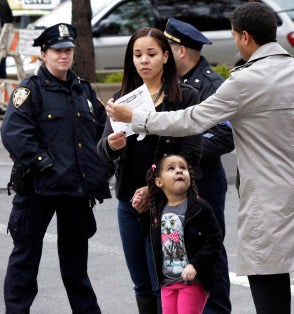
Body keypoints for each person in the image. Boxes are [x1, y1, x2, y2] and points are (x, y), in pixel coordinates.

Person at [106, 2, 294, 313]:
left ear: (245, 37)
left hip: (266, 195)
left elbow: (192, 120)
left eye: (233, 36)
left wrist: (139, 119)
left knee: (268, 278)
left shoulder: (245, 80)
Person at [0, 23, 112, 313]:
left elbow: (101, 133)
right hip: (40, 187)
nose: (64, 56)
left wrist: (102, 169)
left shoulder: (83, 91)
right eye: (58, 50)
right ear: (44, 54)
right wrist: (44, 164)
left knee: (76, 268)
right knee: (25, 262)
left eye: (68, 50)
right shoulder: (30, 90)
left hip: (76, 190)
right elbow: (15, 134)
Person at [96, 27, 202, 313]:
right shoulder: (122, 99)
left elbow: (191, 155)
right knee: (141, 283)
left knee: (167, 281)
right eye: (137, 54)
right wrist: (112, 144)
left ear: (166, 57)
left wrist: (154, 188)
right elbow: (102, 149)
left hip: (169, 207)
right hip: (129, 204)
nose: (144, 60)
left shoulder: (184, 97)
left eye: (151, 54)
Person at [164, 17, 233, 314]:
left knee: (208, 248)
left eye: (166, 46)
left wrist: (183, 152)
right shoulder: (167, 82)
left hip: (203, 179)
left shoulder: (212, 85)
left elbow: (224, 135)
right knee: (173, 248)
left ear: (180, 50)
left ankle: (216, 309)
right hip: (171, 184)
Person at [140, 154, 222, 314]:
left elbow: (214, 242)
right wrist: (141, 214)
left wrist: (195, 265)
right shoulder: (158, 210)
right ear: (159, 182)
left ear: (190, 177)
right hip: (167, 282)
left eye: (182, 168)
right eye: (171, 168)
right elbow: (152, 238)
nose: (179, 171)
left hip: (192, 281)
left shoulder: (200, 208)